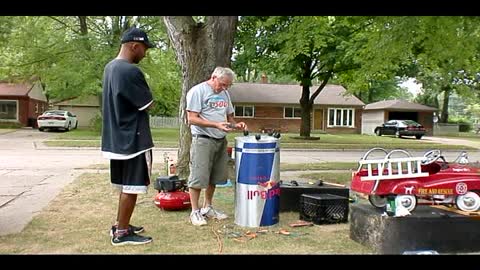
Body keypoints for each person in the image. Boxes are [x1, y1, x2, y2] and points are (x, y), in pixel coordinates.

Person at [101, 27, 155, 245]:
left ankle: (119, 224)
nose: (145, 53)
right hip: (133, 139)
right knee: (132, 187)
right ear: (134, 46)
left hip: (116, 138)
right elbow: (148, 103)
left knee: (124, 186)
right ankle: (122, 233)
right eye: (144, 48)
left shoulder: (110, 68)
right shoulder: (130, 71)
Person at [186, 67, 247, 226]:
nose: (224, 88)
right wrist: (215, 125)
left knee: (215, 176)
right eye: (222, 84)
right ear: (213, 77)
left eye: (228, 85)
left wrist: (237, 125)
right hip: (203, 139)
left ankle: (208, 207)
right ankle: (195, 212)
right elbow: (191, 119)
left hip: (220, 140)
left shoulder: (225, 94)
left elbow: (229, 117)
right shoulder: (197, 91)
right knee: (198, 176)